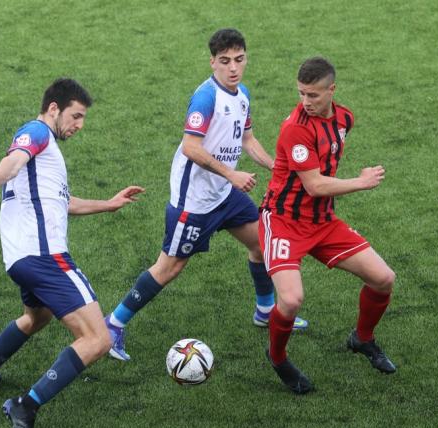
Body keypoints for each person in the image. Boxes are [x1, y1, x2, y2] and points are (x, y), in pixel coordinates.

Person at [0, 78, 144, 428]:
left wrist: (109, 203)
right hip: (45, 257)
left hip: (21, 259)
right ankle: (26, 404)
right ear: (54, 109)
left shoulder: (48, 154)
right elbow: (12, 162)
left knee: (35, 317)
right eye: (76, 115)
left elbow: (62, 202)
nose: (79, 125)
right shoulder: (37, 131)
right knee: (99, 339)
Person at [103, 28, 307, 361]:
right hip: (195, 201)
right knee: (169, 267)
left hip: (224, 193)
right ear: (213, 62)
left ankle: (265, 309)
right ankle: (113, 325)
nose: (233, 68)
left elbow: (248, 140)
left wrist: (276, 168)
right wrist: (231, 173)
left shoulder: (242, 95)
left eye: (239, 60)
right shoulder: (206, 97)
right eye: (225, 61)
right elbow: (191, 146)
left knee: (261, 241)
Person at [259, 57, 397, 394]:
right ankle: (278, 358)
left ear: (331, 90)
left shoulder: (345, 118)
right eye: (302, 94)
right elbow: (314, 185)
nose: (306, 102)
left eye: (314, 95)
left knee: (383, 278)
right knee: (291, 300)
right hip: (283, 222)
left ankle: (362, 339)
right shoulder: (295, 127)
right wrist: (361, 182)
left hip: (322, 222)